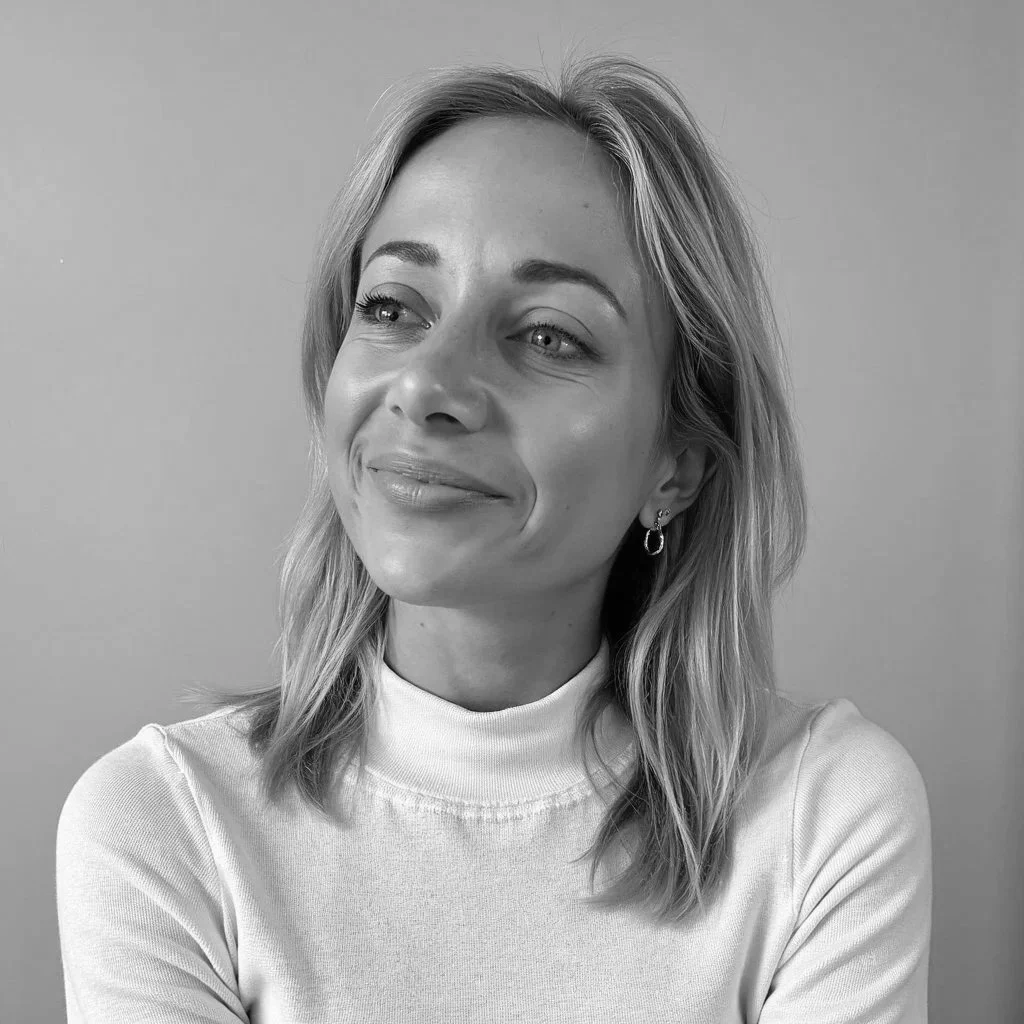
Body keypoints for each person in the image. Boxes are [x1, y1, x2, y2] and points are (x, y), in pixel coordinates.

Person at [55, 53, 932, 1022]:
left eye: (548, 334)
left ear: (674, 466)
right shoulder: (163, 820)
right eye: (392, 308)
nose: (427, 385)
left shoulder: (821, 813)